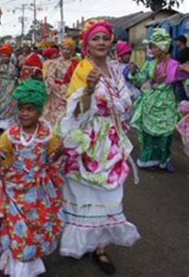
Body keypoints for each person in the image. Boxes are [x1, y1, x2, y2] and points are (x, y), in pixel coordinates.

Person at [54, 20, 140, 274]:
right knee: (84, 194)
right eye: (96, 39)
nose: (101, 43)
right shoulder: (83, 68)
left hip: (111, 140)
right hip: (88, 142)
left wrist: (116, 108)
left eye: (105, 38)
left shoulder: (114, 69)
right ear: (87, 44)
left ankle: (101, 247)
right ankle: (81, 244)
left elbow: (125, 102)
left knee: (110, 195)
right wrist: (90, 90)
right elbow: (77, 110)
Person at [0, 79, 63, 277]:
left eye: (30, 109)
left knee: (34, 229)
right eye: (21, 109)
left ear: (39, 111)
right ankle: (18, 267)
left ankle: (27, 265)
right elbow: (0, 153)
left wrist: (59, 154)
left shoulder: (47, 134)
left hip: (37, 193)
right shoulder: (11, 134)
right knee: (16, 229)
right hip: (13, 191)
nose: (24, 113)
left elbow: (52, 160)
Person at [130, 28, 188, 171]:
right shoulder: (150, 64)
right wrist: (133, 73)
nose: (150, 49)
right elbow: (140, 80)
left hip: (167, 103)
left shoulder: (175, 65)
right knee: (149, 134)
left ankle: (164, 160)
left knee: (166, 133)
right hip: (150, 102)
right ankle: (149, 160)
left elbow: (185, 81)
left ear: (163, 47)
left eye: (153, 46)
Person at [42, 38, 79, 126]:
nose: (66, 51)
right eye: (64, 49)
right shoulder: (55, 62)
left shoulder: (76, 64)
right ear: (61, 50)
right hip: (57, 93)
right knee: (56, 116)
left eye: (68, 49)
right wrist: (53, 85)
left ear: (72, 51)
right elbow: (50, 76)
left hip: (70, 91)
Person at [0, 44, 18, 130]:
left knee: (8, 106)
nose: (4, 58)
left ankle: (7, 125)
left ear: (9, 56)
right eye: (3, 56)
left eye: (6, 56)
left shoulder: (13, 66)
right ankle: (0, 124)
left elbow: (15, 77)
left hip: (10, 89)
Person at [115, 41, 140, 122]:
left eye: (129, 54)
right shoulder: (115, 66)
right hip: (122, 92)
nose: (128, 56)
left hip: (131, 92)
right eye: (126, 54)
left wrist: (133, 72)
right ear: (120, 55)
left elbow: (134, 77)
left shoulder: (130, 66)